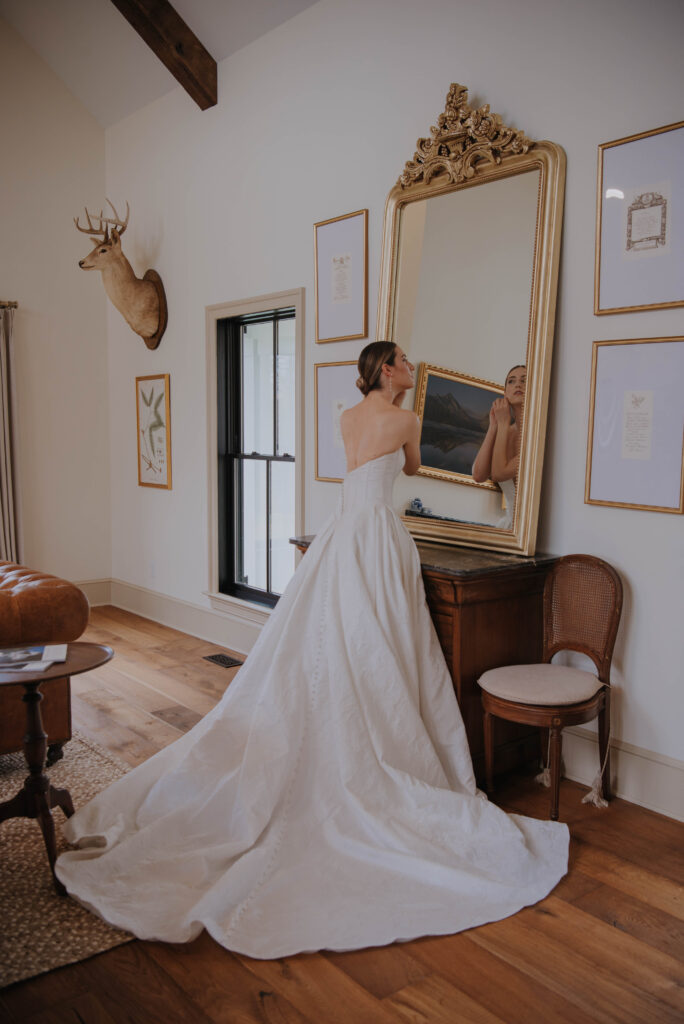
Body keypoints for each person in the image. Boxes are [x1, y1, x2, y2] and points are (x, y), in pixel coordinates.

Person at [56, 342, 567, 959]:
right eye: (404, 361)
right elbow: (409, 469)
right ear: (386, 371)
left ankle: (334, 723)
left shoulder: (347, 416)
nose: (412, 367)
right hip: (377, 536)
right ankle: (365, 745)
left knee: (333, 638)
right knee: (378, 641)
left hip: (340, 533)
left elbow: (365, 468)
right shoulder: (406, 419)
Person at [472, 365, 526, 528]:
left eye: (525, 380)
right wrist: (494, 426)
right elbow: (479, 475)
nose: (518, 385)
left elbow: (499, 473)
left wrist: (503, 423)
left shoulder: (536, 435)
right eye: (511, 381)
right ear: (505, 393)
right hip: (509, 526)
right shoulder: (504, 431)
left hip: (530, 526)